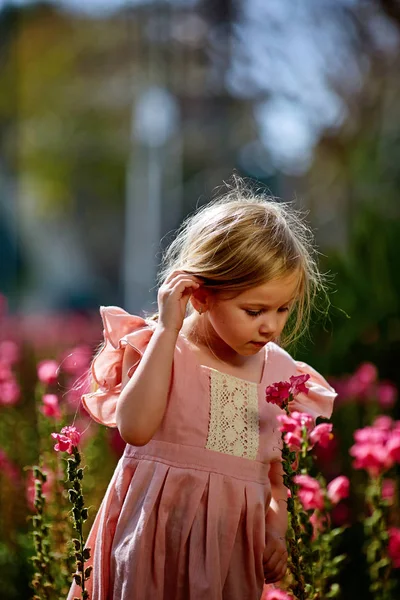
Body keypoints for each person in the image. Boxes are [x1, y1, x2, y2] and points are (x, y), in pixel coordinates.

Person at [67, 179, 336, 600]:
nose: (271, 325)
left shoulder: (281, 374)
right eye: (254, 310)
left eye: (282, 308)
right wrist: (167, 330)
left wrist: (276, 532)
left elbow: (278, 478)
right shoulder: (162, 348)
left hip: (228, 562)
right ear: (202, 296)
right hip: (151, 550)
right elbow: (134, 429)